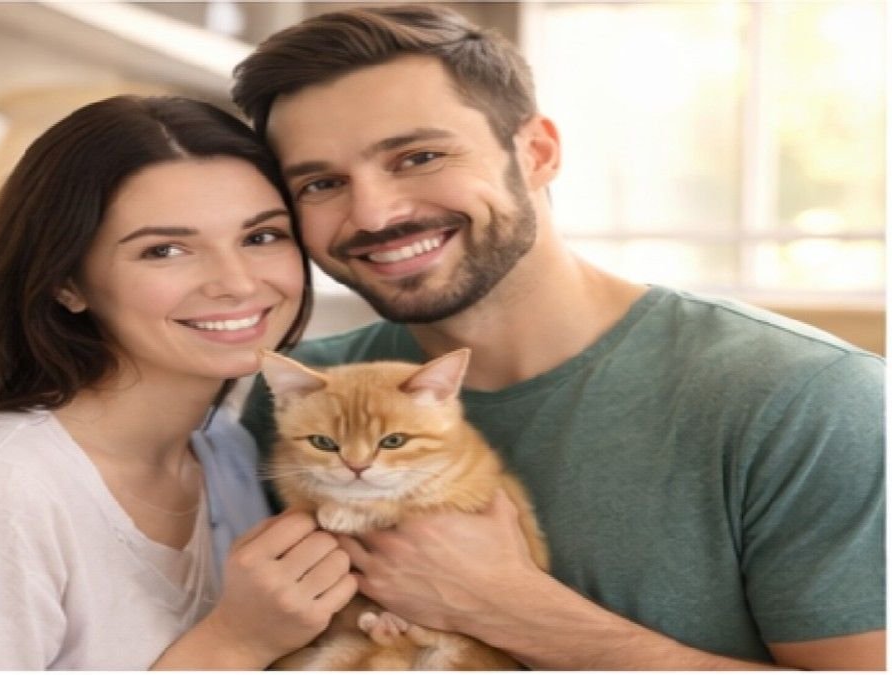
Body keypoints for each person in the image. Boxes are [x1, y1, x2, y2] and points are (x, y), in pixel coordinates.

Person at [233, 4, 885, 670]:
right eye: (321, 183)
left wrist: (516, 611)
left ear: (538, 152)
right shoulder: (298, 399)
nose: (373, 212)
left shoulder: (809, 400)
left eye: (419, 156)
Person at [0, 95, 357, 669]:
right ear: (66, 283)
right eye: (165, 250)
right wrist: (235, 645)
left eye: (261, 237)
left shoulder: (226, 452)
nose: (236, 282)